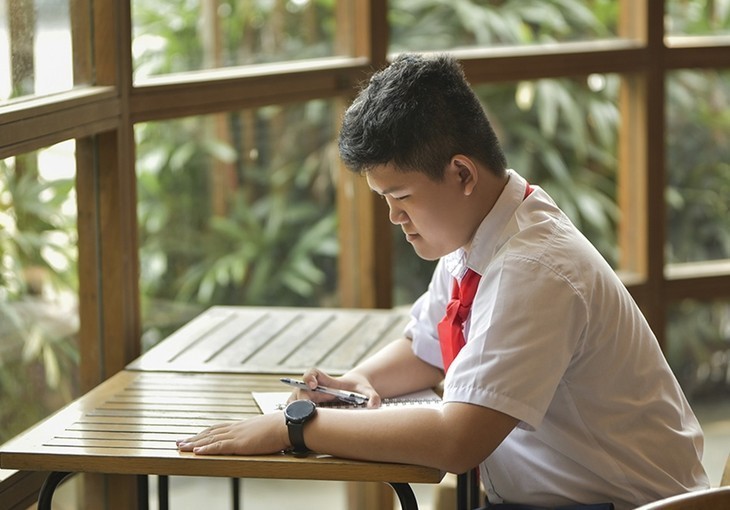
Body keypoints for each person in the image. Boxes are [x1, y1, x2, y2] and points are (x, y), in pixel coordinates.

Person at [177, 53, 710, 509]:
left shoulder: (534, 270)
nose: (393, 218)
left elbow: (458, 441)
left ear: (461, 174)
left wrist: (295, 428)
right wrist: (357, 383)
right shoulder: (482, 235)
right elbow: (428, 348)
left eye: (401, 198)